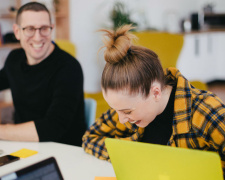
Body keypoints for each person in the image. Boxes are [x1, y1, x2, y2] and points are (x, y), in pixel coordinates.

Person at [82, 24, 225, 175]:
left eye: (127, 111)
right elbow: (90, 138)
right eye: (117, 110)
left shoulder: (206, 111)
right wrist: (130, 155)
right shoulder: (127, 109)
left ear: (155, 93)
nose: (121, 119)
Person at [0, 2, 86, 146]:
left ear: (51, 29)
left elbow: (52, 128)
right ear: (17, 32)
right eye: (30, 29)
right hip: (24, 146)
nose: (38, 37)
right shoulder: (15, 59)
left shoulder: (69, 68)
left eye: (44, 28)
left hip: (64, 153)